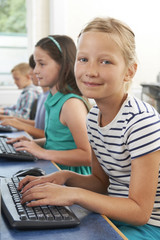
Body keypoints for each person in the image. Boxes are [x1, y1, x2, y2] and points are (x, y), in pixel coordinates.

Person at [18, 17, 160, 240]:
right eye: (83, 59)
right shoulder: (93, 117)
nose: (90, 71)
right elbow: (101, 183)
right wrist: (64, 177)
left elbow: (140, 211)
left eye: (105, 62)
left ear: (129, 72)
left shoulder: (142, 122)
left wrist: (73, 194)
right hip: (112, 214)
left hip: (149, 226)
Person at [9, 35, 91, 175]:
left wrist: (44, 153)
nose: (35, 71)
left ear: (63, 65)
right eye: (35, 64)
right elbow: (59, 142)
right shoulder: (54, 98)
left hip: (71, 177)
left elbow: (87, 155)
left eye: (42, 64)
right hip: (54, 169)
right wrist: (34, 143)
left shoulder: (71, 104)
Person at [0, 55, 49, 138]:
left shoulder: (31, 93)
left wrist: (13, 120)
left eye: (41, 64)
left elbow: (50, 136)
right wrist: (6, 116)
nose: (30, 73)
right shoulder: (42, 95)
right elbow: (38, 124)